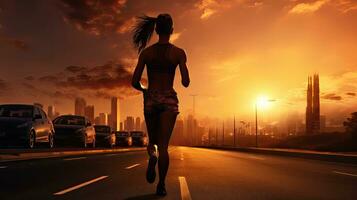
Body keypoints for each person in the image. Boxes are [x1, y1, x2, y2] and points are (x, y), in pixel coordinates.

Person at [131, 13, 190, 196]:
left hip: (151, 99)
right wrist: (181, 66)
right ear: (172, 30)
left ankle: (152, 155)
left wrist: (145, 90)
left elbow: (135, 81)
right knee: (164, 145)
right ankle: (162, 184)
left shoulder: (146, 53)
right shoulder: (178, 53)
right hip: (169, 101)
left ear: (156, 30)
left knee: (153, 141)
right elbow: (186, 82)